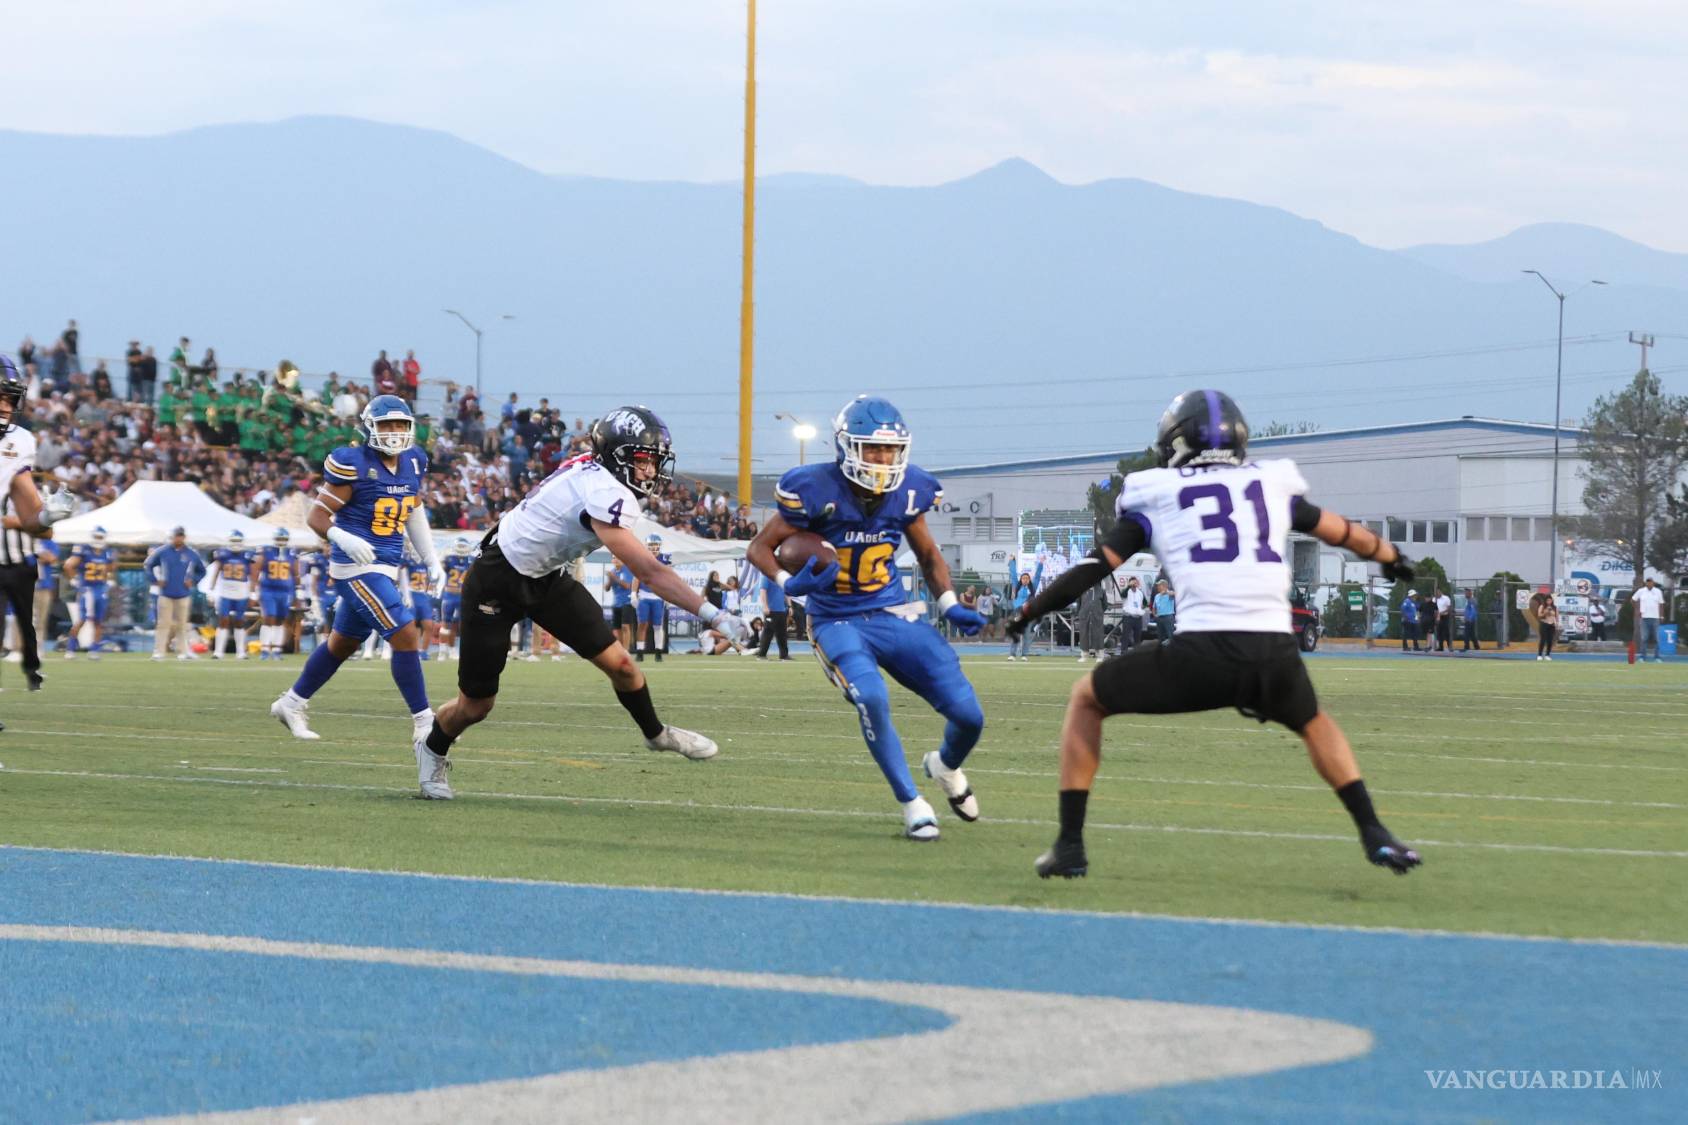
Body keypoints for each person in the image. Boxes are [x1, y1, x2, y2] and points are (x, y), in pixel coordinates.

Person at [1006, 389, 1421, 880]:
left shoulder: (1156, 491)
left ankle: (1070, 846)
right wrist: (1390, 557)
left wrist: (1030, 610)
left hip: (1203, 651)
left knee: (1086, 699)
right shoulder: (1268, 483)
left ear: (1177, 443)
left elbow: (1096, 567)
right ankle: (1374, 831)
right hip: (1273, 650)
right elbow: (1340, 531)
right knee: (1314, 722)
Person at [419, 405, 747, 799]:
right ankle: (432, 747)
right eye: (642, 460)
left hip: (545, 576)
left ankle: (656, 734)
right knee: (476, 706)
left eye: (654, 461)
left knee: (623, 666)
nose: (650, 471)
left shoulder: (597, 470)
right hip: (497, 578)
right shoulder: (605, 491)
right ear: (615, 455)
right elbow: (650, 571)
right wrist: (714, 614)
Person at [747, 395, 987, 841]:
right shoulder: (814, 488)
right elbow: (759, 547)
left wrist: (950, 603)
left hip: (892, 611)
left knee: (970, 716)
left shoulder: (910, 489)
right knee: (872, 698)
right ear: (846, 447)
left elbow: (928, 554)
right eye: (873, 449)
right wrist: (786, 581)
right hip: (836, 619)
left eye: (890, 450)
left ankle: (945, 766)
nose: (882, 459)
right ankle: (913, 804)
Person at [269, 396, 442, 779]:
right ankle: (424, 721)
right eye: (387, 425)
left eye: (400, 425)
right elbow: (317, 516)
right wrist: (341, 537)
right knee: (405, 632)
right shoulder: (354, 463)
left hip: (385, 566)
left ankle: (291, 703)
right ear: (369, 427)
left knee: (342, 644)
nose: (394, 433)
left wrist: (432, 558)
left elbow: (413, 510)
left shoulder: (414, 461)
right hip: (355, 568)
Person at [0, 358, 76, 689]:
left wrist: (47, 515)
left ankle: (31, 669)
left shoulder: (19, 442)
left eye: (10, 398)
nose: (5, 406)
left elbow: (37, 524)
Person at [144, 526, 206, 660]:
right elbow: (148, 564)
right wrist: (155, 580)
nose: (178, 538)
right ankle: (159, 651)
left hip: (183, 593)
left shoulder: (191, 553)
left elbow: (202, 570)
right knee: (163, 624)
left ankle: (183, 651)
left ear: (184, 537)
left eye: (180, 536)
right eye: (176, 536)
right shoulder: (163, 551)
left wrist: (193, 581)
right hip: (165, 593)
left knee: (182, 624)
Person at [64, 526, 118, 660]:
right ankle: (70, 649)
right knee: (82, 620)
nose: (98, 539)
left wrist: (109, 580)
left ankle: (94, 650)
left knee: (98, 622)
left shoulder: (108, 552)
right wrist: (74, 580)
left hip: (100, 589)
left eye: (100, 537)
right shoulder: (84, 550)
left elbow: (112, 569)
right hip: (87, 589)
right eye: (97, 537)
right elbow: (68, 565)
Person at [204, 530, 257, 660]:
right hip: (225, 591)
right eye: (234, 541)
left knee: (239, 621)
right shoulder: (222, 554)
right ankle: (218, 652)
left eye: (238, 541)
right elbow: (216, 571)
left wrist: (252, 592)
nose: (236, 544)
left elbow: (252, 575)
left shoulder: (247, 555)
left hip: (241, 592)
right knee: (223, 621)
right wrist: (211, 589)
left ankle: (241, 652)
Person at [254, 528, 299, 660]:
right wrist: (253, 590)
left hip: (285, 591)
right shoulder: (266, 551)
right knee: (269, 618)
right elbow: (256, 570)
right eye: (279, 539)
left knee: (280, 620)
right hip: (268, 589)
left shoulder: (291, 553)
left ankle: (277, 649)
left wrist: (298, 592)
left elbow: (296, 574)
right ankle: (265, 649)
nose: (281, 541)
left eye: (283, 539)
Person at [634, 533, 671, 662]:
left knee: (658, 626)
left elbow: (668, 578)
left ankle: (658, 652)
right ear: (647, 546)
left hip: (658, 596)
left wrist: (668, 595)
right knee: (642, 624)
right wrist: (633, 593)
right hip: (644, 595)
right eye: (651, 545)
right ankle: (639, 652)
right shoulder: (641, 558)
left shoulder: (665, 559)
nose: (654, 548)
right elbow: (636, 577)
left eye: (656, 545)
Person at [437, 536, 472, 660]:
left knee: (456, 625)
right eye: (460, 546)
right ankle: (442, 651)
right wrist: (442, 558)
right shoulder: (449, 559)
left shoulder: (471, 560)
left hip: (463, 597)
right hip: (449, 595)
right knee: (445, 624)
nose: (461, 549)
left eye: (463, 546)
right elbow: (440, 568)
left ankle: (452, 649)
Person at [403, 543, 438, 662]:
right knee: (411, 625)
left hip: (423, 596)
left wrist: (431, 592)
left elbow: (430, 580)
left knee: (428, 625)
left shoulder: (426, 563)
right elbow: (401, 578)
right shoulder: (406, 560)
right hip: (410, 594)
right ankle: (411, 650)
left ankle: (423, 651)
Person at [1006, 558, 1041, 660]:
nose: (1025, 580)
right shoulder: (1016, 587)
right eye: (1023, 578)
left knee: (1026, 635)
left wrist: (1041, 563)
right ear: (1021, 580)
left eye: (1027, 578)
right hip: (1017, 613)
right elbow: (1013, 574)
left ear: (1029, 580)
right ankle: (1012, 654)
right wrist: (1012, 561)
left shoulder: (1032, 588)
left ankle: (1024, 655)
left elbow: (1037, 576)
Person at [756, 568, 790, 660]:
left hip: (782, 610)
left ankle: (784, 655)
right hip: (771, 610)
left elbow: (786, 592)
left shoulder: (781, 578)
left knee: (782, 634)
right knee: (768, 632)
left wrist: (790, 605)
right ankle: (761, 655)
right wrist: (765, 606)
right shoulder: (766, 576)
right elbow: (762, 591)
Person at [607, 555, 636, 650]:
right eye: (614, 558)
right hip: (616, 603)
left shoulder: (627, 570)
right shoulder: (612, 572)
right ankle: (621, 650)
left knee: (625, 626)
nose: (616, 560)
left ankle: (626, 650)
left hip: (627, 602)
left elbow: (627, 586)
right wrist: (610, 580)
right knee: (616, 630)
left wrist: (614, 578)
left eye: (618, 558)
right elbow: (607, 588)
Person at [1634, 577, 1665, 662]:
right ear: (1646, 583)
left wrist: (1661, 616)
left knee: (1657, 639)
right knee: (1644, 638)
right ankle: (1642, 657)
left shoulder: (1658, 591)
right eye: (1647, 582)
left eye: (1650, 582)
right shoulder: (1641, 591)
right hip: (1644, 618)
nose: (1649, 583)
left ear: (1653, 583)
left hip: (1655, 618)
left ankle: (1657, 657)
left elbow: (1661, 604)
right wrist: (1637, 610)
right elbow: (1633, 600)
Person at [1118, 575, 1147, 652]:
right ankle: (1124, 652)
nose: (1134, 584)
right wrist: (1129, 586)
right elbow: (1122, 595)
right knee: (1126, 636)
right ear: (1130, 583)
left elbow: (1145, 603)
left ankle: (1136, 653)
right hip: (1128, 617)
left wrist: (1141, 608)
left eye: (1135, 582)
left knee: (1137, 636)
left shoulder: (1140, 592)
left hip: (1138, 618)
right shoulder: (1126, 591)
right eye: (1133, 582)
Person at [1532, 591, 1559, 661]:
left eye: (1550, 600)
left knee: (1550, 640)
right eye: (1547, 600)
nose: (1549, 602)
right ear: (1545, 601)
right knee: (1543, 640)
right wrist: (1545, 612)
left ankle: (1547, 655)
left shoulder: (1555, 607)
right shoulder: (1542, 606)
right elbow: (1539, 615)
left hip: (1552, 625)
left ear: (1552, 600)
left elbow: (1556, 616)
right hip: (1544, 624)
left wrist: (1557, 623)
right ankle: (1539, 655)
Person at [1434, 587, 1453, 652]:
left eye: (1438, 591)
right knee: (1439, 632)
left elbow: (1449, 608)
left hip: (1445, 617)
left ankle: (1450, 646)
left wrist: (1442, 613)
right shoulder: (1434, 599)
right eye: (1436, 592)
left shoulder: (1446, 598)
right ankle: (1440, 647)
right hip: (1437, 617)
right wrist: (1436, 615)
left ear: (1441, 591)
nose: (1437, 593)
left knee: (1446, 632)